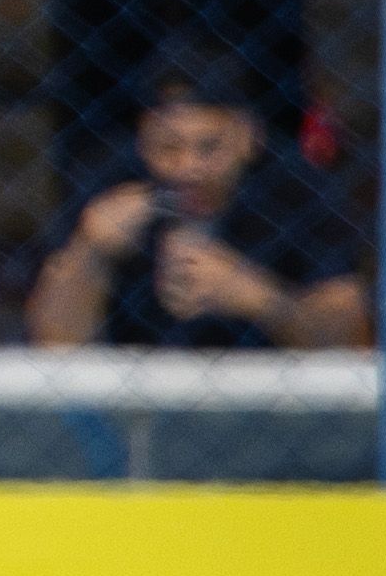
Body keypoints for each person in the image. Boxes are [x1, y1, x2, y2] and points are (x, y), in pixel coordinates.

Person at [24, 55, 366, 353]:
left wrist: (258, 298)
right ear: (143, 141)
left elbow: (351, 336)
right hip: (137, 402)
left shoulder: (298, 189)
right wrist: (91, 251)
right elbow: (53, 342)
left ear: (249, 138)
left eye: (209, 148)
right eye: (169, 148)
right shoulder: (111, 183)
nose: (189, 168)